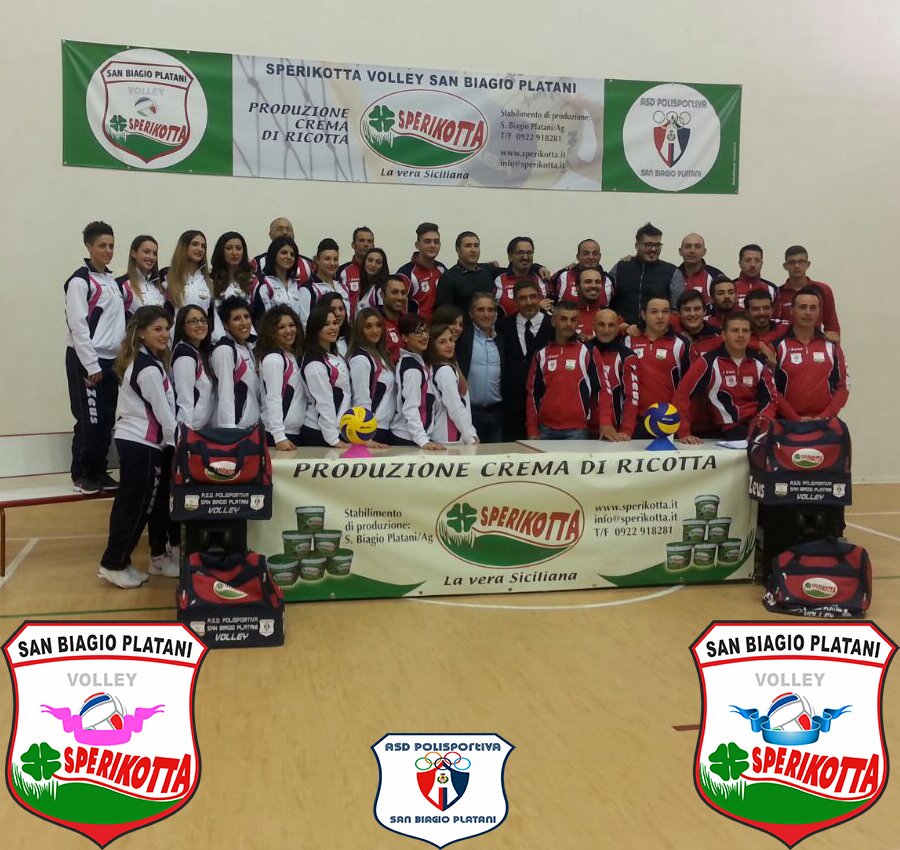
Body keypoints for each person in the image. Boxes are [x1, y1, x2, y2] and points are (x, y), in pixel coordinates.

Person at [98, 306, 179, 588]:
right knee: (133, 506)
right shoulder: (147, 369)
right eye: (157, 329)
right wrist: (179, 445)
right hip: (139, 444)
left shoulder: (151, 362)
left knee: (142, 505)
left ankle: (137, 560)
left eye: (166, 329)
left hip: (146, 445)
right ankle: (113, 563)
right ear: (141, 333)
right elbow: (164, 415)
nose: (164, 334)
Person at [65, 221, 126, 494]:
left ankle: (99, 471)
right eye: (102, 245)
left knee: (106, 419)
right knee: (89, 419)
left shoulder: (111, 282)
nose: (108, 250)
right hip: (86, 359)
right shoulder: (80, 281)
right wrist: (90, 364)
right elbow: (78, 325)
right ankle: (82, 474)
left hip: (111, 360)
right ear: (89, 246)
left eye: (111, 245)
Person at [675, 311, 778, 443]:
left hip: (758, 427)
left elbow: (770, 399)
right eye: (735, 330)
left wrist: (763, 422)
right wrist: (683, 432)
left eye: (745, 331)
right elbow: (683, 394)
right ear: (723, 335)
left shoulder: (760, 363)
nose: (740, 335)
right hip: (725, 430)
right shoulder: (707, 362)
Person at [526, 301, 604, 440]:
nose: (569, 324)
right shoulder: (541, 354)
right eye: (563, 319)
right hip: (545, 430)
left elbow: (602, 391)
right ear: (553, 321)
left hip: (577, 431)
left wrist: (604, 423)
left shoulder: (589, 352)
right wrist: (532, 429)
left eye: (573, 320)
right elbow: (532, 394)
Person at [773, 287, 850, 421]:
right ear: (792, 310)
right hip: (787, 423)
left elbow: (843, 386)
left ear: (819, 312)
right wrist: (795, 418)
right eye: (802, 307)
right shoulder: (778, 346)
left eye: (813, 308)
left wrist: (825, 416)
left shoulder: (831, 346)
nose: (808, 312)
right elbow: (772, 388)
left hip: (825, 421)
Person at [623, 297, 691, 437]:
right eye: (654, 312)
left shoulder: (681, 344)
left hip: (670, 420)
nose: (660, 316)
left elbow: (688, 390)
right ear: (643, 315)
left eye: (665, 311)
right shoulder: (628, 341)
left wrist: (684, 428)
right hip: (636, 421)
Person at [501, 279, 554, 441]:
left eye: (533, 296)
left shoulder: (553, 325)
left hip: (544, 406)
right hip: (511, 407)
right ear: (515, 300)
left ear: (540, 297)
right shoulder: (503, 326)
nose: (529, 302)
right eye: (523, 298)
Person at [389, 314, 444, 450]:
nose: (424, 336)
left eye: (425, 331)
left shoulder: (415, 362)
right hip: (407, 439)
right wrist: (423, 441)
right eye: (418, 332)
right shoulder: (412, 369)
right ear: (404, 337)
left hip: (413, 437)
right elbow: (410, 407)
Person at [609, 223, 681, 326]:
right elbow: (606, 300)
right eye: (648, 245)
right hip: (621, 331)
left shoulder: (673, 272)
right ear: (637, 246)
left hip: (657, 332)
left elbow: (676, 311)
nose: (653, 249)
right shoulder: (620, 268)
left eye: (657, 245)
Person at [299, 306, 352, 447]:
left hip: (338, 430)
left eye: (335, 323)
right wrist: (334, 440)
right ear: (315, 329)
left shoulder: (335, 355)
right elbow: (324, 402)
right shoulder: (314, 363)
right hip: (320, 433)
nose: (333, 327)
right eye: (326, 324)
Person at [456, 293, 505, 443]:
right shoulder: (462, 338)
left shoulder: (501, 339)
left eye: (490, 310)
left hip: (496, 414)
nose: (486, 314)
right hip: (469, 414)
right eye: (481, 309)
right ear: (471, 313)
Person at [257, 305, 306, 450]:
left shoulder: (290, 356)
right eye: (281, 327)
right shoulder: (274, 359)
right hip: (278, 436)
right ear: (271, 331)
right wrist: (279, 436)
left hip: (293, 433)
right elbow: (273, 398)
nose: (289, 330)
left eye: (292, 325)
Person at [587, 309, 638, 441]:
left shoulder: (627, 357)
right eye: (601, 324)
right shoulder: (583, 351)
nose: (606, 330)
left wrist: (626, 429)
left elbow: (632, 397)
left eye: (611, 325)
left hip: (614, 433)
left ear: (617, 328)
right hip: (582, 431)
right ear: (594, 326)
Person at [347, 308, 396, 444]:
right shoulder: (360, 359)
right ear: (359, 330)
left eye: (378, 325)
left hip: (385, 428)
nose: (375, 331)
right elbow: (361, 399)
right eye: (368, 326)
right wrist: (366, 436)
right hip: (372, 430)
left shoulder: (382, 355)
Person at [210, 296, 260, 428]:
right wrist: (229, 430)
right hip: (236, 428)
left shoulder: (247, 346)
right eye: (237, 319)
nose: (244, 322)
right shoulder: (225, 350)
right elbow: (225, 392)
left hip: (251, 426)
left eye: (246, 317)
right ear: (226, 325)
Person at [774, 245, 841, 341]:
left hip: (816, 345)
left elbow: (832, 325)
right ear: (785, 266)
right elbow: (773, 326)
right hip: (786, 346)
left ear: (808, 264)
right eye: (792, 262)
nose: (797, 266)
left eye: (801, 262)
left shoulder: (823, 290)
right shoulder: (777, 293)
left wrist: (836, 347)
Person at [427, 324, 479, 445]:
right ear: (432, 346)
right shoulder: (444, 371)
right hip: (450, 438)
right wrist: (470, 435)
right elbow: (455, 406)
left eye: (451, 340)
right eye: (442, 342)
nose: (449, 345)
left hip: (448, 436)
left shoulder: (440, 366)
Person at [171, 305, 216, 429]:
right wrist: (185, 433)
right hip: (189, 430)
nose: (200, 325)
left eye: (203, 320)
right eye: (193, 321)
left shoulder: (199, 352)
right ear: (181, 326)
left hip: (201, 428)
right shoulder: (184, 355)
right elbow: (184, 399)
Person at [435, 231, 498, 314]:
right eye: (468, 246)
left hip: (489, 321)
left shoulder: (489, 270)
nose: (473, 250)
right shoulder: (448, 278)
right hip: (462, 322)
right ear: (458, 250)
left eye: (476, 246)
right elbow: (444, 313)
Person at [397, 222, 447, 321]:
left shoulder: (442, 269)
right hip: (416, 328)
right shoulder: (406, 274)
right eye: (427, 241)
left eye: (436, 242)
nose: (432, 245)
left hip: (439, 328)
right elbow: (400, 310)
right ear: (417, 245)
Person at [210, 231, 254, 341]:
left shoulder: (252, 281)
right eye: (229, 248)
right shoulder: (210, 280)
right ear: (221, 251)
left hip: (247, 340)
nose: (234, 253)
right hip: (218, 340)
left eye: (238, 248)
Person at [493, 237, 551, 318]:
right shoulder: (499, 279)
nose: (525, 257)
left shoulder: (541, 278)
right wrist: (536, 308)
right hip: (507, 325)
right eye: (520, 253)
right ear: (510, 256)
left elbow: (552, 307)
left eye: (529, 253)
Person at [297, 238, 349, 327]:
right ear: (317, 260)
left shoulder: (343, 288)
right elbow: (305, 325)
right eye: (327, 259)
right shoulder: (307, 290)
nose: (332, 263)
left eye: (335, 259)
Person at [162, 230, 213, 319]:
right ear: (183, 247)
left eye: (203, 246)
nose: (200, 249)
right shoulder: (165, 276)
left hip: (201, 327)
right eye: (194, 244)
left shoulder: (209, 280)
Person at [252, 236, 303, 321]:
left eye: (292, 254)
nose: (289, 257)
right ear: (273, 254)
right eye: (284, 253)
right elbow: (264, 318)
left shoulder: (298, 285)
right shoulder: (263, 283)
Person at [252, 217, 314, 284]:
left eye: (288, 229)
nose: (285, 232)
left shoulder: (308, 264)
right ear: (270, 235)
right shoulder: (257, 263)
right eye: (279, 229)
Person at [552, 238, 614, 304]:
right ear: (577, 256)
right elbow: (549, 300)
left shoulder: (608, 280)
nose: (591, 257)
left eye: (595, 254)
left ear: (600, 256)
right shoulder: (562, 276)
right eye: (585, 253)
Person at [670, 233, 724, 307]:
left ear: (704, 251)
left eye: (697, 247)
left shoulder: (715, 276)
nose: (692, 251)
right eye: (688, 246)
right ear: (680, 251)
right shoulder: (671, 275)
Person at [118, 235, 165, 316]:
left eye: (154, 254)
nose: (151, 257)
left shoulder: (158, 287)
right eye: (146, 252)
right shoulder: (122, 284)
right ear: (133, 253)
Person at [337, 226, 375, 316]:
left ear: (373, 246)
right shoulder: (342, 271)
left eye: (369, 241)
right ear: (353, 245)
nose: (366, 244)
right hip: (350, 323)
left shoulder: (380, 272)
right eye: (362, 240)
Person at [673, 290, 720, 359]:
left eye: (697, 309)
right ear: (679, 313)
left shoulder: (719, 336)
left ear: (704, 311)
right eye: (687, 309)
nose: (692, 314)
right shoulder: (672, 337)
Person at [744, 289, 787, 367]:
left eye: (766, 308)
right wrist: (760, 345)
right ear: (746, 312)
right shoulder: (739, 333)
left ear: (772, 309)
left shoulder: (784, 329)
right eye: (756, 309)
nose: (762, 313)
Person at [573, 266, 613, 340]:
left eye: (597, 282)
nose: (593, 286)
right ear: (577, 287)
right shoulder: (565, 316)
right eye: (588, 282)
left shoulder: (612, 317)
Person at [379, 275, 411, 363]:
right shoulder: (376, 324)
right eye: (394, 292)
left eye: (403, 293)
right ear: (382, 295)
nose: (400, 297)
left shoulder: (410, 322)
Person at [315, 291, 350, 357]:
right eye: (333, 309)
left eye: (341, 309)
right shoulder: (315, 351)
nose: (338, 313)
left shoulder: (352, 338)